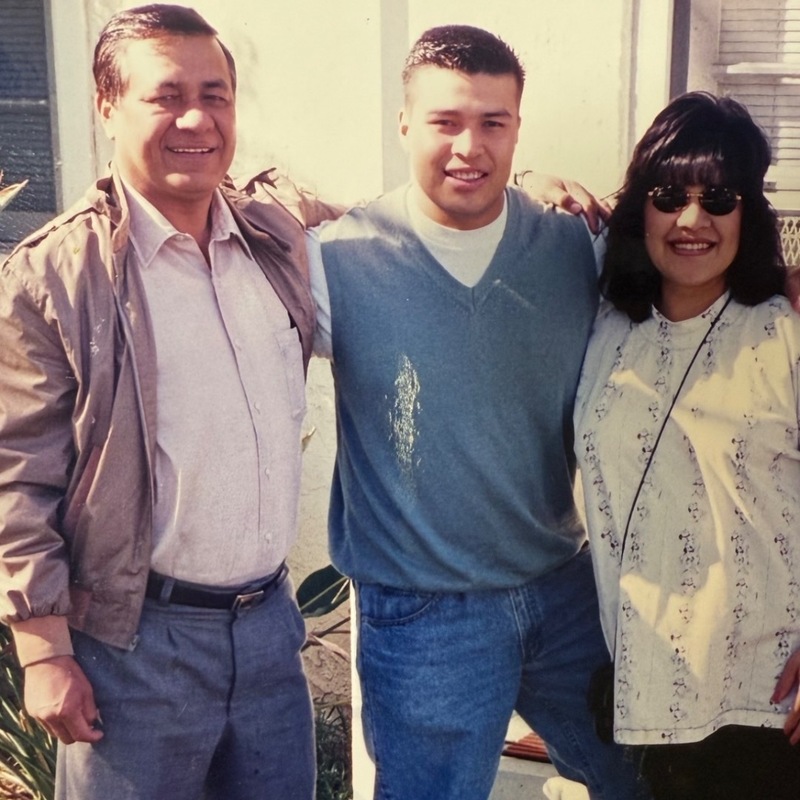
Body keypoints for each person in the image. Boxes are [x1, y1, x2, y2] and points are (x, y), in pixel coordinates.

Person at [0, 5, 343, 798]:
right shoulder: (56, 277)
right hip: (134, 648)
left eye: (215, 95)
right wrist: (44, 651)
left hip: (269, 635)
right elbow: (18, 473)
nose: (196, 119)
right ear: (108, 105)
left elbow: (412, 222)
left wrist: (526, 190)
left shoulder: (273, 240)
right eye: (167, 96)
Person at [308, 24, 649, 800]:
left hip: (564, 590)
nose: (469, 146)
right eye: (446, 121)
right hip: (424, 614)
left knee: (646, 780)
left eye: (493, 122)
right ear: (404, 125)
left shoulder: (576, 248)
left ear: (517, 128)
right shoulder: (335, 259)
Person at [574, 91, 800, 799]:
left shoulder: (786, 331)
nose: (693, 220)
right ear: (641, 209)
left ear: (748, 213)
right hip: (644, 690)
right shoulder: (606, 325)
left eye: (719, 198)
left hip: (764, 703)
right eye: (670, 196)